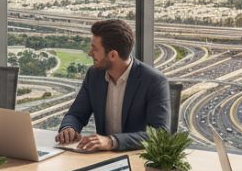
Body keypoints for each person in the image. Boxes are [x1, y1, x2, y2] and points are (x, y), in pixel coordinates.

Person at [56, 19, 169, 151]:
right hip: (102, 159)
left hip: (138, 159)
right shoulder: (94, 75)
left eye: (95, 49)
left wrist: (112, 141)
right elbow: (76, 114)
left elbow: (160, 134)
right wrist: (69, 128)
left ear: (113, 55)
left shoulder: (154, 81)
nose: (89, 53)